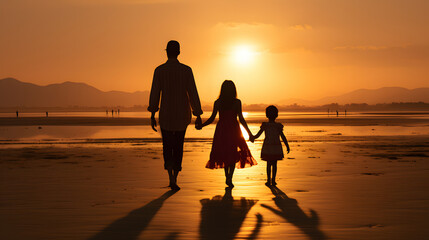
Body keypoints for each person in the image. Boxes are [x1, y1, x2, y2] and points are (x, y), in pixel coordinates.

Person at [148, 40, 203, 191]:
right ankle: (175, 177)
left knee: (167, 146)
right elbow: (193, 93)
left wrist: (153, 113)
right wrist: (197, 113)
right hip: (181, 114)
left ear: (166, 52)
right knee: (178, 145)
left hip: (166, 114)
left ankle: (170, 177)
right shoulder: (186, 70)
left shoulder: (159, 70)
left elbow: (155, 93)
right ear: (178, 52)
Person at [199, 80, 257, 188]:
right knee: (233, 153)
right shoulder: (236, 102)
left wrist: (202, 125)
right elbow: (241, 119)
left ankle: (227, 176)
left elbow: (212, 118)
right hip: (234, 129)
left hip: (222, 130)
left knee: (225, 153)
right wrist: (249, 133)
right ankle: (230, 176)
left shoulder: (218, 102)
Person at [253, 105, 290, 186]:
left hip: (268, 146)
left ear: (266, 115)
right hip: (276, 146)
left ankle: (269, 180)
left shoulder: (265, 125)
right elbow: (283, 136)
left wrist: (252, 137)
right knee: (274, 164)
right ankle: (273, 180)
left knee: (269, 164)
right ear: (276, 115)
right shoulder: (278, 126)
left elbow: (258, 135)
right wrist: (287, 145)